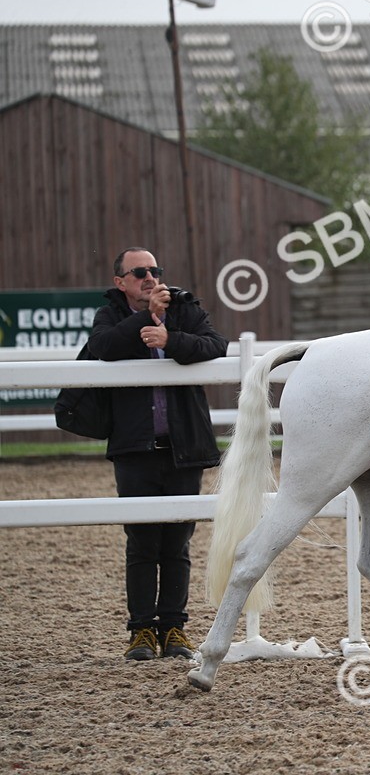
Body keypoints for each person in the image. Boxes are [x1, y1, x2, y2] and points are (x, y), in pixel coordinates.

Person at [89, 248, 228, 660]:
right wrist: (143, 318)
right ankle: (141, 632)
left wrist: (171, 339)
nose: (150, 277)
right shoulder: (112, 314)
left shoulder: (183, 307)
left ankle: (173, 629)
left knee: (178, 542)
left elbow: (215, 346)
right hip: (135, 448)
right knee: (142, 541)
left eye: (155, 271)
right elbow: (102, 348)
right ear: (121, 283)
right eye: (139, 272)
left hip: (184, 447)